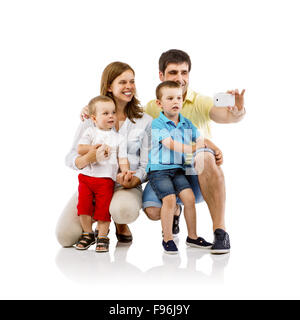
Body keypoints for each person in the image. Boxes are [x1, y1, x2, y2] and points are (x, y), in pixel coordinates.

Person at [143, 49, 246, 254]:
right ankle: (173, 218)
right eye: (173, 72)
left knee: (204, 156)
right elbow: (131, 122)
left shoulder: (197, 102)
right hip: (162, 171)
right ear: (161, 76)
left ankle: (219, 231)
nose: (180, 78)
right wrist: (92, 112)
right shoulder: (154, 110)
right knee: (155, 210)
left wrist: (236, 112)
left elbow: (221, 118)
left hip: (194, 174)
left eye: (184, 72)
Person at [56, 62, 152, 247]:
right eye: (122, 82)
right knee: (65, 237)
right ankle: (90, 230)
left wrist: (134, 179)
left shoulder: (145, 121)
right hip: (93, 183)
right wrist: (87, 158)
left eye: (132, 81)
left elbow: (146, 164)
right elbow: (71, 156)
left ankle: (118, 224)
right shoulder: (91, 118)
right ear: (109, 86)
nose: (129, 86)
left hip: (123, 186)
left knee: (122, 210)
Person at [147, 81, 213, 254]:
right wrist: (192, 148)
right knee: (169, 200)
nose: (176, 101)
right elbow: (169, 144)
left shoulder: (186, 122)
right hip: (159, 171)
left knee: (189, 198)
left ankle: (192, 236)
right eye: (170, 98)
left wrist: (199, 146)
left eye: (178, 98)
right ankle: (167, 238)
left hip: (177, 170)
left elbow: (199, 137)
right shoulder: (157, 124)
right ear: (159, 103)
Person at [75, 95, 135, 252]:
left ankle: (102, 236)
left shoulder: (118, 138)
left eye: (113, 113)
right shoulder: (90, 132)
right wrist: (94, 149)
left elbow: (122, 159)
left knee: (103, 209)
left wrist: (126, 171)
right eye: (106, 113)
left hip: (105, 181)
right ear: (94, 118)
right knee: (83, 207)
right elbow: (80, 148)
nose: (111, 116)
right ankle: (87, 233)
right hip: (86, 179)